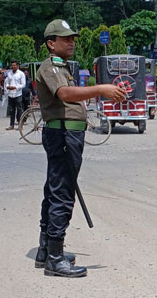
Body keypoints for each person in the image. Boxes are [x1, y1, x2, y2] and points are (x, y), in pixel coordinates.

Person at [33, 19, 126, 277]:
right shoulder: (50, 67)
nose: (71, 42)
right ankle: (54, 258)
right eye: (65, 39)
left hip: (68, 132)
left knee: (55, 189)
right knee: (62, 192)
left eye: (72, 38)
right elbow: (64, 94)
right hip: (62, 133)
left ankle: (46, 251)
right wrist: (100, 89)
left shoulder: (62, 67)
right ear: (51, 44)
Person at [4, 61, 27, 130]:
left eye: (14, 65)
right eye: (12, 65)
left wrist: (15, 87)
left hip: (18, 94)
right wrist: (8, 86)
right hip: (11, 94)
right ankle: (11, 125)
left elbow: (23, 84)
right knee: (12, 110)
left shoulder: (21, 74)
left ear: (17, 66)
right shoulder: (9, 73)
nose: (13, 66)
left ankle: (20, 124)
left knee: (19, 110)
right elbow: (6, 82)